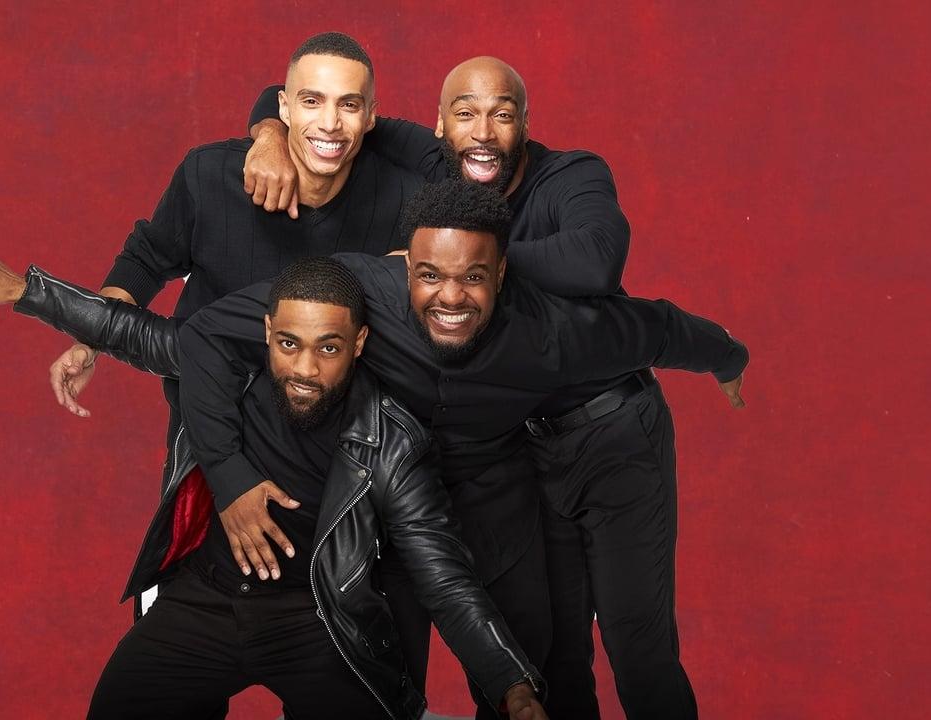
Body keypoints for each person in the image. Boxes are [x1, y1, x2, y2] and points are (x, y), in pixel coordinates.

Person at [174, 180, 748, 719]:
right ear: (405, 266)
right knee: (379, 682)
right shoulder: (359, 293)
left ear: (501, 272)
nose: (449, 297)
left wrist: (728, 359)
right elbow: (204, 333)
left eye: (472, 277)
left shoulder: (555, 332)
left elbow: (659, 329)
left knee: (527, 675)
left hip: (497, 507)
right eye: (429, 275)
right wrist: (228, 473)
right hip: (389, 514)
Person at [245, 57, 713, 718]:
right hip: (528, 443)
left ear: (526, 123)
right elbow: (299, 100)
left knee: (637, 645)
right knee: (556, 654)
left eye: (502, 114)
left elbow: (597, 262)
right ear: (440, 125)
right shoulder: (438, 161)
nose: (483, 132)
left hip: (609, 430)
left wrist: (466, 260)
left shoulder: (570, 174)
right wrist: (268, 135)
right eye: (465, 115)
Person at [0, 231, 548, 719]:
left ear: (359, 343)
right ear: (267, 333)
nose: (305, 369)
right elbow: (133, 333)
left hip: (318, 619)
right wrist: (27, 291)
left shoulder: (390, 440)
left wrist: (512, 687)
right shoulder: (227, 371)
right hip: (205, 600)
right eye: (289, 344)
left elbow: (442, 572)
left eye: (329, 348)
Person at [34, 32, 425, 614]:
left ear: (371, 117)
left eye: (348, 105)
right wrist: (89, 339)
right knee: (181, 614)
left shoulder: (404, 197)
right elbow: (147, 257)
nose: (330, 123)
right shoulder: (210, 175)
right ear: (283, 106)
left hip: (328, 440)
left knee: (327, 621)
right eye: (311, 101)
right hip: (210, 428)